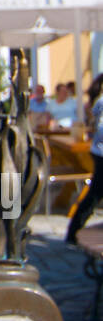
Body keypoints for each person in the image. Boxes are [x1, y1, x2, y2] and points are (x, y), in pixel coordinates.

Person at [66, 74, 103, 244]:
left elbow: (94, 125)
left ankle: (73, 232)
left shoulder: (98, 102)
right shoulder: (101, 102)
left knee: (94, 194)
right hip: (101, 152)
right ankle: (73, 233)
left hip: (98, 151)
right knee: (94, 194)